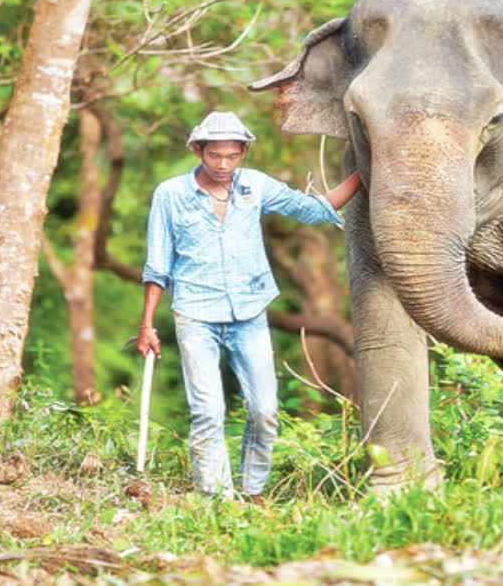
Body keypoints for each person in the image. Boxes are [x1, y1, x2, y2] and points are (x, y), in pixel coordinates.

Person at [136, 111, 361, 502]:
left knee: (265, 411)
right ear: (198, 150)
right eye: (214, 156)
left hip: (249, 315)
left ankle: (252, 490)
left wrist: (365, 170)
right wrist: (147, 325)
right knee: (207, 411)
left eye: (232, 156)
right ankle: (217, 499)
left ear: (243, 153)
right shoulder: (169, 194)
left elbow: (314, 209)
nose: (223, 165)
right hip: (195, 315)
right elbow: (157, 266)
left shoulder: (254, 186)